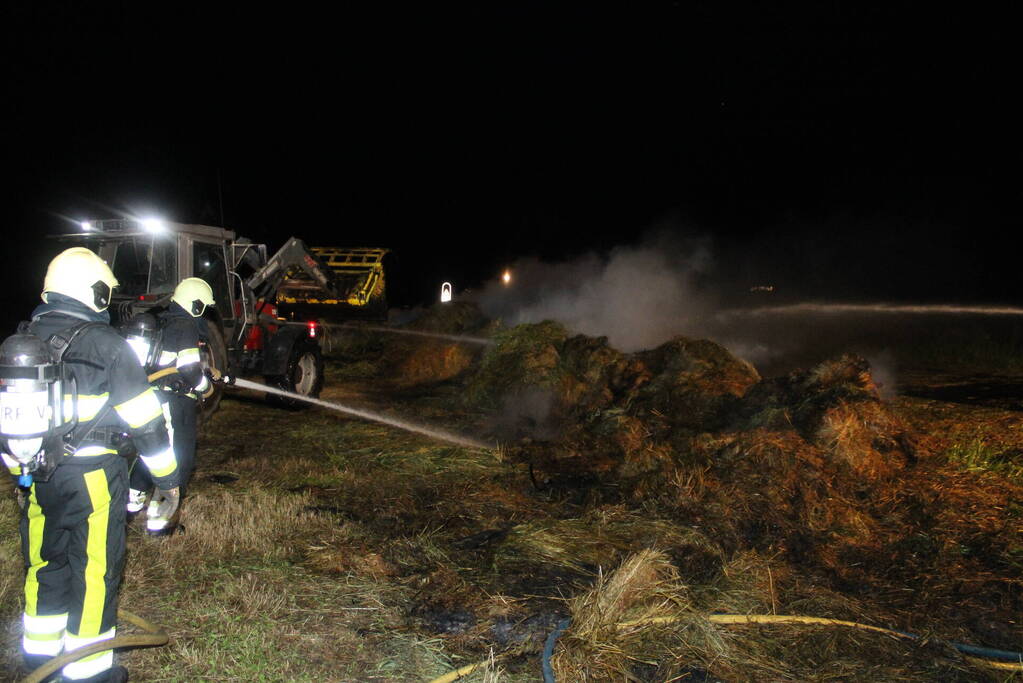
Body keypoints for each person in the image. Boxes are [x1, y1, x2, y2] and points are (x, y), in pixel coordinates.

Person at [1, 247, 180, 682]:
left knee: (46, 563)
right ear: (93, 291)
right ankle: (88, 671)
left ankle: (40, 657)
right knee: (94, 569)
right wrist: (168, 480)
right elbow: (146, 423)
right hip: (94, 479)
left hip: (38, 476)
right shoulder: (107, 344)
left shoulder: (25, 339)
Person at [126, 277, 214, 534]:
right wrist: (204, 387)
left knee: (153, 455)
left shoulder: (166, 320)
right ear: (195, 304)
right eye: (203, 306)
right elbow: (187, 368)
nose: (204, 312)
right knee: (177, 462)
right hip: (175, 404)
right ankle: (161, 524)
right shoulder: (185, 324)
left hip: (156, 398)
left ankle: (128, 510)